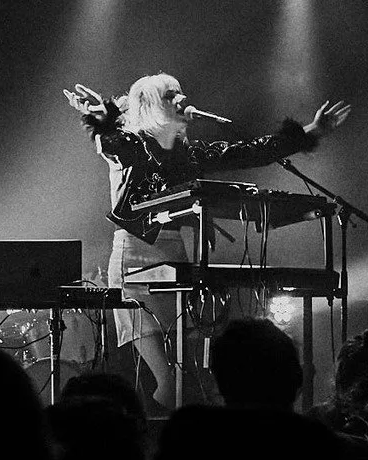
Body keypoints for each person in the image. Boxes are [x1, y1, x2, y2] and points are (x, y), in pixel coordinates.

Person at [63, 74, 351, 409]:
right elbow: (110, 141)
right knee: (169, 382)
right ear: (151, 104)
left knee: (186, 371)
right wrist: (104, 117)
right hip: (135, 256)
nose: (181, 97)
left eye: (181, 91)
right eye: (171, 94)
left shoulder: (190, 157)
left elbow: (247, 153)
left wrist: (310, 133)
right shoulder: (130, 145)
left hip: (178, 255)